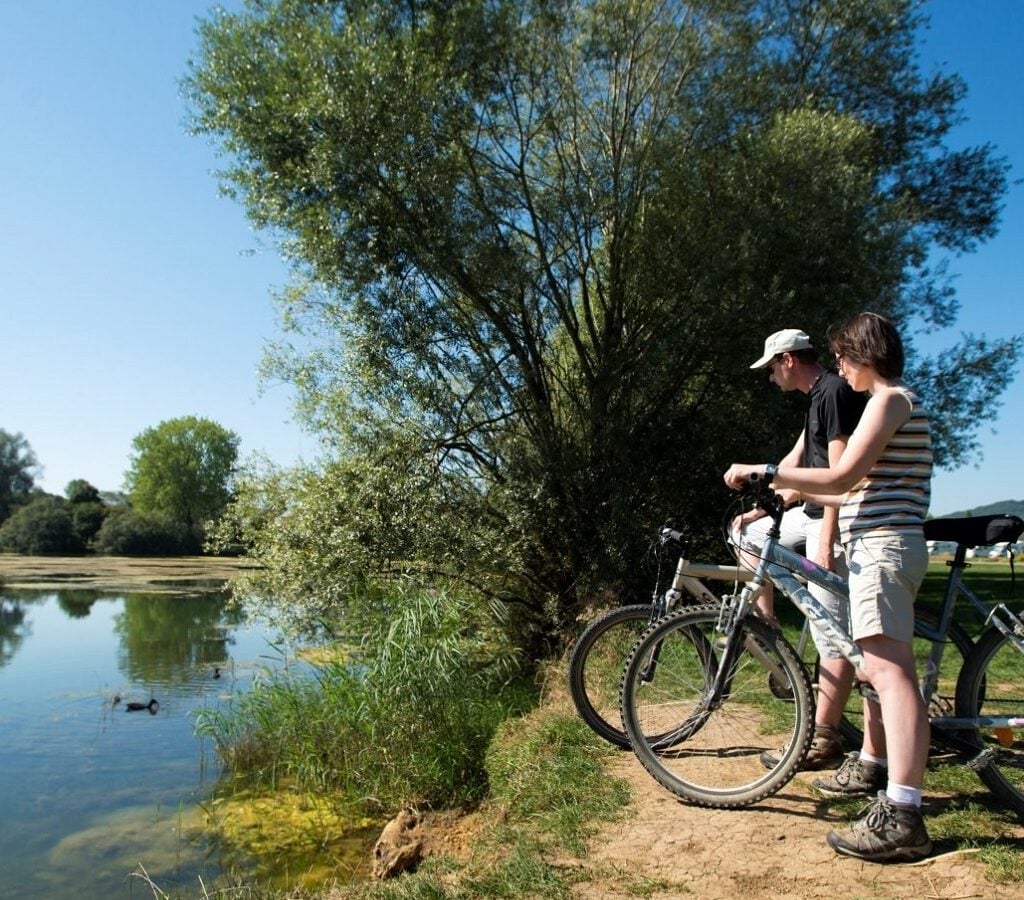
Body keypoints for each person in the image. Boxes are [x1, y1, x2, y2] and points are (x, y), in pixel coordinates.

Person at [724, 312, 933, 863]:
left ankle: (904, 814)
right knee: (890, 673)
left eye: (843, 356)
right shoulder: (890, 403)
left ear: (863, 353)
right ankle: (889, 786)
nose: (838, 366)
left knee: (890, 676)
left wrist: (765, 470)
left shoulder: (889, 401)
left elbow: (839, 480)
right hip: (881, 545)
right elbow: (845, 485)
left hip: (884, 548)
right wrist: (781, 485)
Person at [732, 328, 866, 771]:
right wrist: (761, 509)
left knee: (831, 628)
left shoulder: (833, 393)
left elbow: (839, 472)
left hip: (831, 519)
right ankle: (766, 624)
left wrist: (828, 533)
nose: (770, 377)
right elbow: (794, 464)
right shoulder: (815, 399)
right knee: (744, 535)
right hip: (805, 515)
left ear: (788, 360)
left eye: (771, 368)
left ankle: (824, 738)